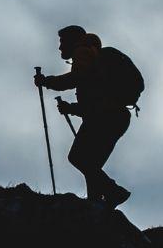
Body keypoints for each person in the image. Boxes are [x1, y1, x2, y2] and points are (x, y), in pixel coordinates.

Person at [34, 24, 137, 207]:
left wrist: (47, 82)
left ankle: (114, 192)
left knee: (79, 158)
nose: (59, 47)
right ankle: (96, 203)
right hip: (117, 117)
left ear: (73, 40)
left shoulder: (82, 51)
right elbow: (95, 99)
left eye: (62, 42)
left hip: (104, 117)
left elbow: (76, 79)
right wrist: (71, 109)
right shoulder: (95, 56)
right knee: (91, 164)